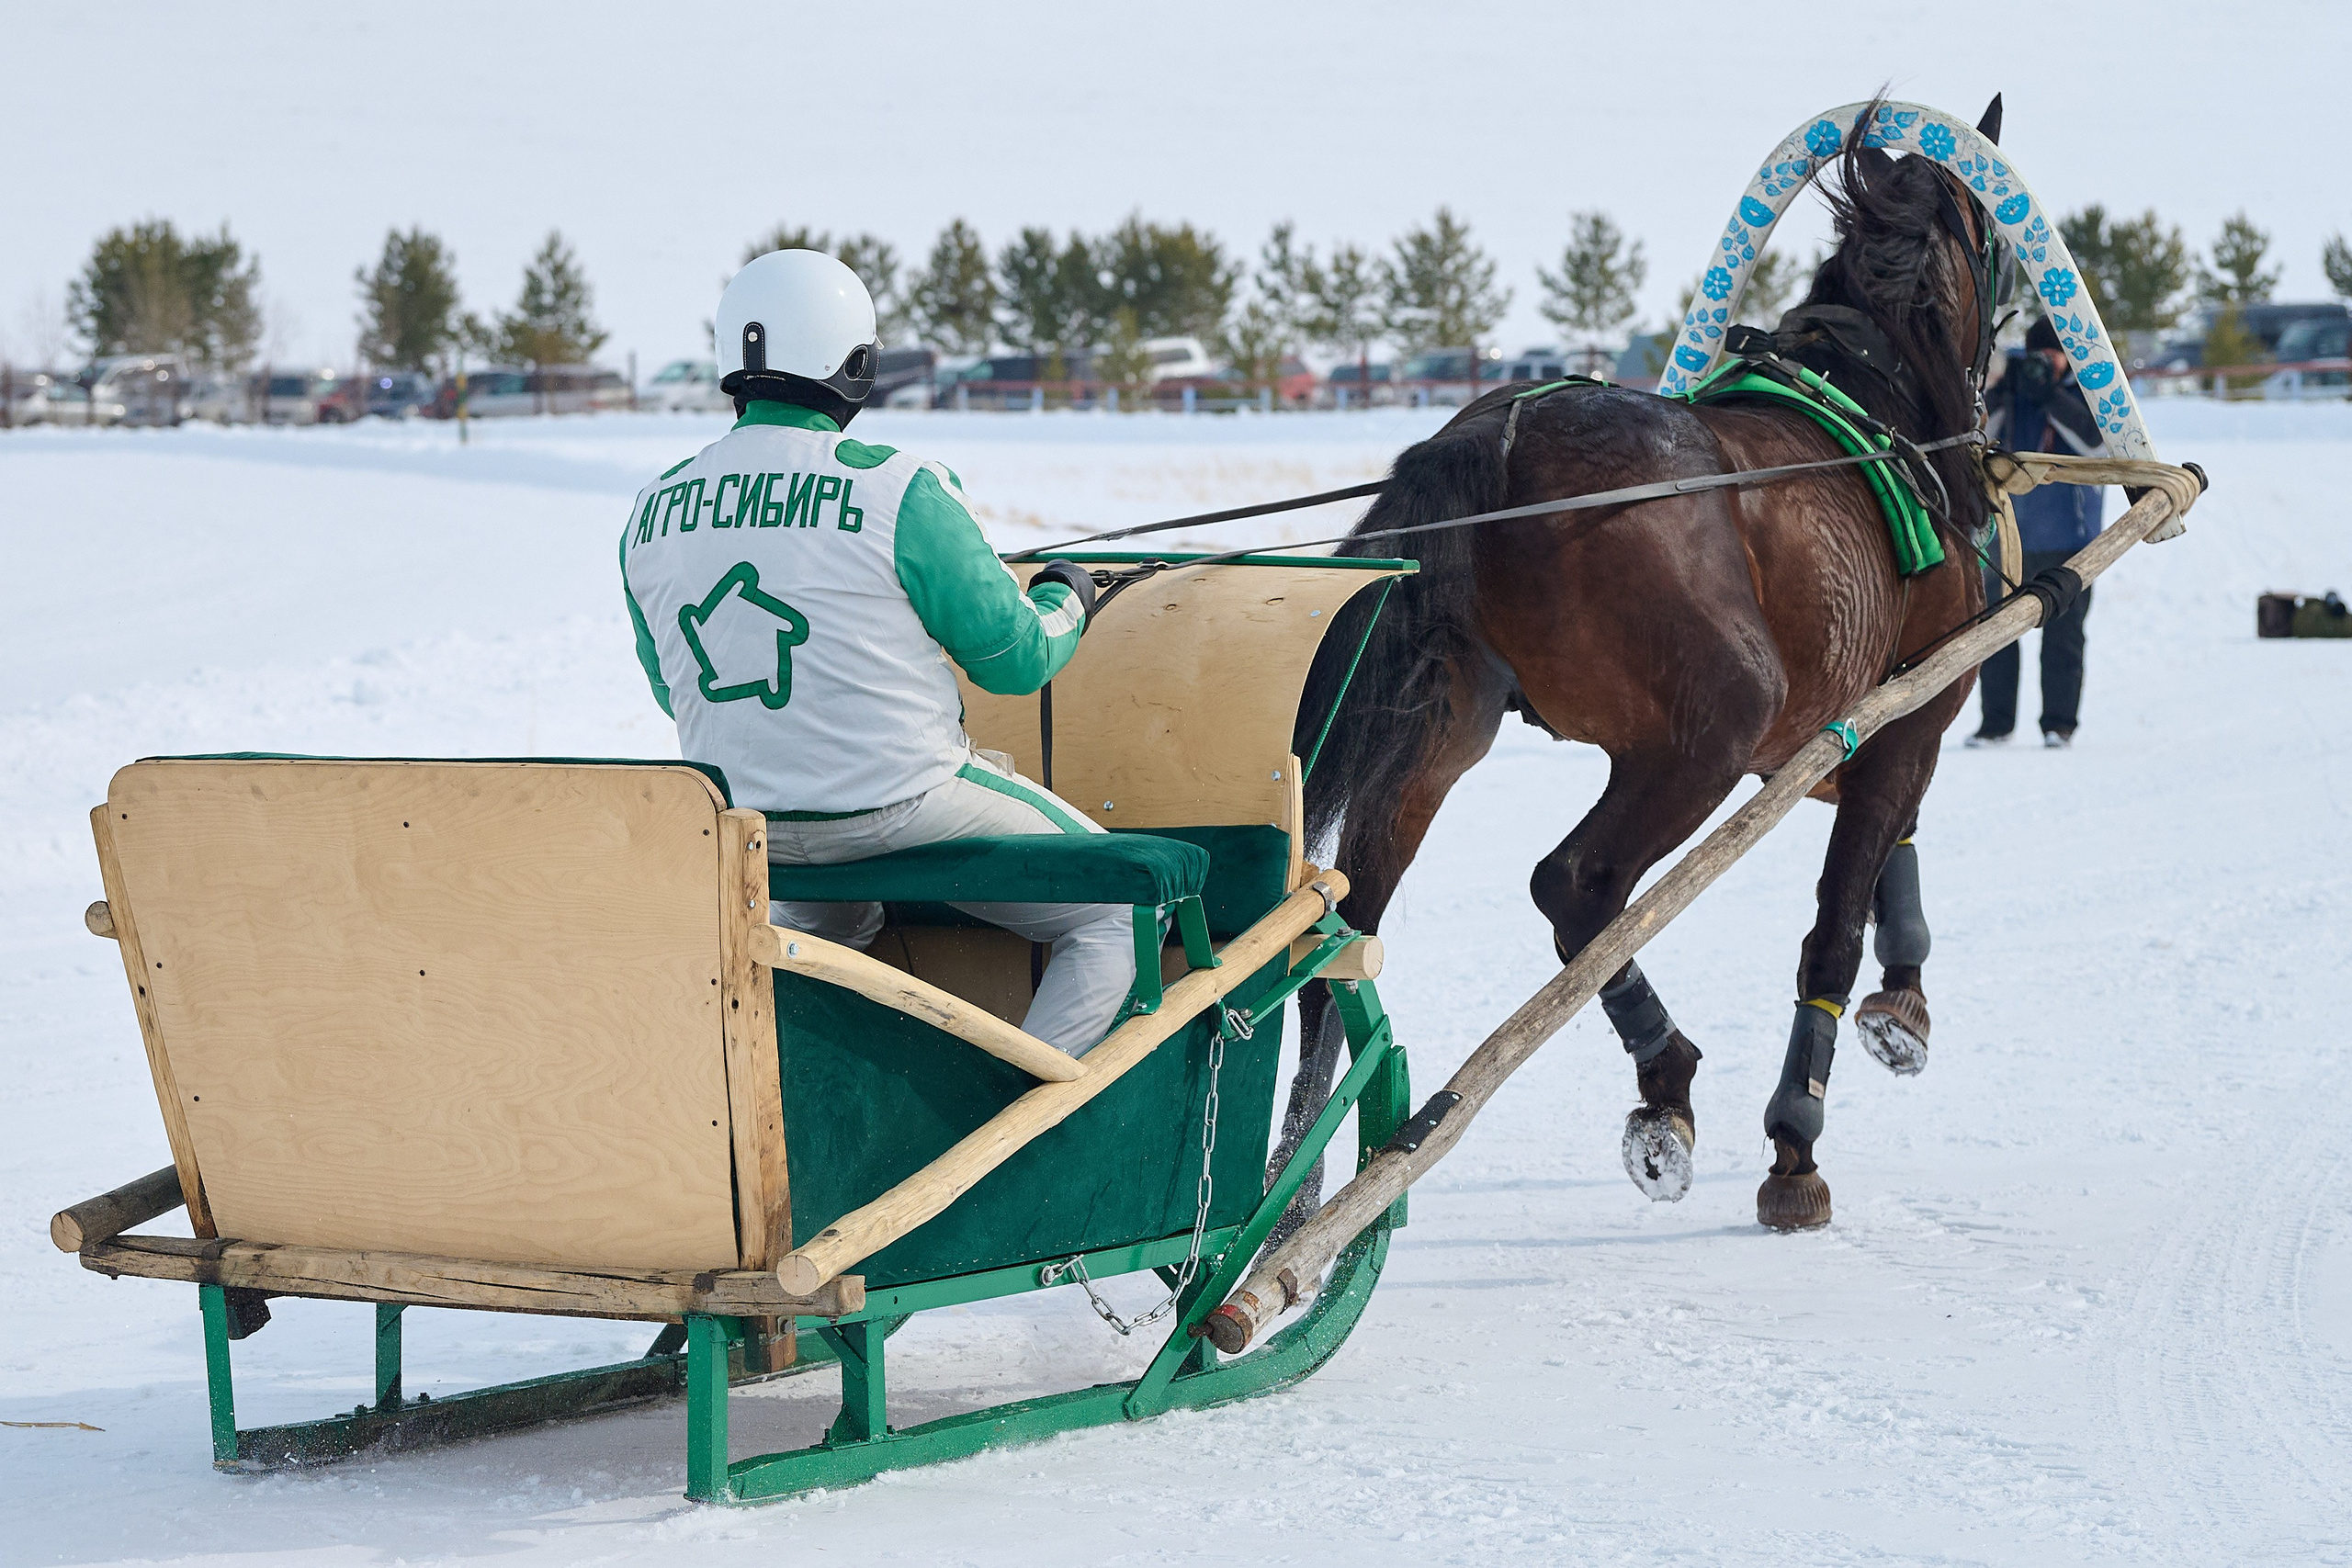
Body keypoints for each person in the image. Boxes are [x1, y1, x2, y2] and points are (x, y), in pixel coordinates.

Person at [619, 249, 1129, 1056]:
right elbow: (1018, 659)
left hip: (748, 825)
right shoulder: (903, 487)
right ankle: (1017, 1128)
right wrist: (1069, 597)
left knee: (833, 922)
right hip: (903, 807)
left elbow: (673, 690)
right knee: (1121, 906)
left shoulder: (649, 513)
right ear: (855, 365)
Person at [1969, 315, 2107, 749]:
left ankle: (2059, 724)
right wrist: (2004, 391)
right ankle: (1995, 724)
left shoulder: (2084, 396)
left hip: (2071, 541)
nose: (2045, 365)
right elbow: (1977, 436)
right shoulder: (2014, 393)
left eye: (2053, 357)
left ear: (2069, 358)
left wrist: (2050, 396)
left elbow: (2095, 446)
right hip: (2008, 539)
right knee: (1996, 633)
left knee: (2064, 638)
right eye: (2038, 357)